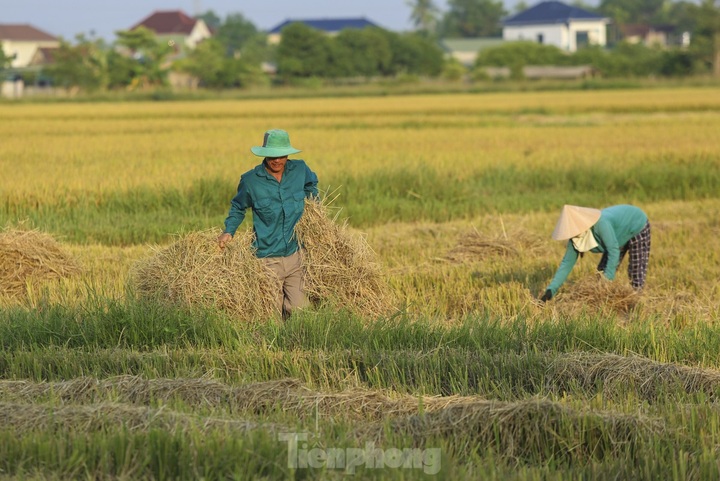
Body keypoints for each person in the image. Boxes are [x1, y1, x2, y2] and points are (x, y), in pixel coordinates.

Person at [217, 129, 319, 318]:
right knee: (269, 316)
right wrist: (228, 231)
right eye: (272, 156)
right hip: (266, 258)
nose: (277, 160)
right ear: (264, 155)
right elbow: (238, 207)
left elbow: (311, 185)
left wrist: (314, 206)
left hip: (295, 254)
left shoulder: (300, 169)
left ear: (288, 154)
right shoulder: (250, 181)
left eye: (281, 155)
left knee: (301, 311)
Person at [540, 204, 651, 302]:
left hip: (636, 223)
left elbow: (613, 252)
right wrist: (550, 290)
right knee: (601, 272)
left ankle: (636, 301)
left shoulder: (601, 225)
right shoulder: (574, 239)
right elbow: (566, 264)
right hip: (617, 234)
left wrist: (606, 284)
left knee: (636, 269)